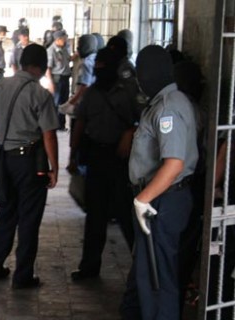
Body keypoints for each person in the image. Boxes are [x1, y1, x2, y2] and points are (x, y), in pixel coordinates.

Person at [119, 45, 198, 320]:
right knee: (146, 272)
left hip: (162, 201)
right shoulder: (164, 102)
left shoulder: (168, 108)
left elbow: (174, 163)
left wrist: (143, 200)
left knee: (157, 278)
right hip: (158, 198)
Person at [0, 44, 59, 289]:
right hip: (30, 162)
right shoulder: (40, 94)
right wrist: (55, 167)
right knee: (29, 218)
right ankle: (23, 276)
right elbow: (49, 135)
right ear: (42, 68)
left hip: (3, 160)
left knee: (5, 212)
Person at [69, 48, 138, 281]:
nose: (99, 69)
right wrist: (73, 154)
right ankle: (89, 267)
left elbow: (142, 120)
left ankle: (141, 268)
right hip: (97, 158)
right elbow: (80, 123)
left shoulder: (128, 91)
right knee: (95, 215)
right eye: (97, 64)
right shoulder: (91, 93)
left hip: (120, 161)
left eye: (102, 65)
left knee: (126, 215)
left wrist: (129, 132)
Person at [45, 30, 71, 129]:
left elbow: (69, 59)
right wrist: (50, 83)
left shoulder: (63, 49)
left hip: (65, 78)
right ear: (58, 39)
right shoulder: (51, 51)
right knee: (56, 102)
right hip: (57, 80)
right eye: (64, 39)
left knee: (64, 102)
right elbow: (48, 68)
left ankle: (61, 124)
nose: (65, 40)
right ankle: (54, 125)